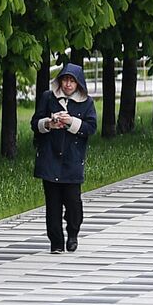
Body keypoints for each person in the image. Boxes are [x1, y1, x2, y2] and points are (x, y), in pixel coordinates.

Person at [33, 62, 96, 253]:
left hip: (72, 159)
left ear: (79, 84)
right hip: (49, 157)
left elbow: (91, 128)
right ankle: (56, 243)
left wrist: (71, 122)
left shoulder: (87, 103)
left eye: (72, 81)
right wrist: (49, 124)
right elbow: (35, 122)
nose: (68, 85)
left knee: (73, 202)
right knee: (52, 204)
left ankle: (73, 233)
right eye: (65, 80)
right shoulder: (48, 97)